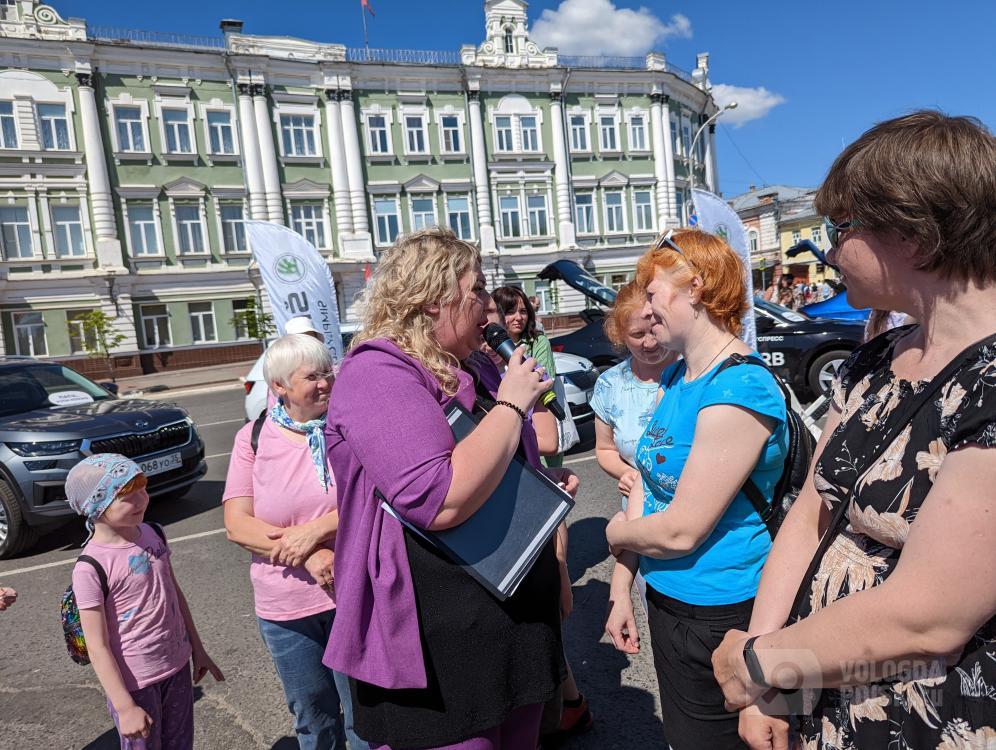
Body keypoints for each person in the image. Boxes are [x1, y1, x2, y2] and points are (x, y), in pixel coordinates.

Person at [711, 111, 996, 750]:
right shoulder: (878, 356)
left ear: (915, 237)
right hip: (823, 690)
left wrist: (756, 665)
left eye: (840, 229)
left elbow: (929, 617)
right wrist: (772, 682)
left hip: (933, 718)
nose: (831, 251)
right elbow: (814, 514)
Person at [323, 227, 577, 750]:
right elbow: (437, 498)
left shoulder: (477, 366)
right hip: (438, 638)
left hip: (515, 616)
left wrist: (539, 484)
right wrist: (510, 405)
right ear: (434, 298)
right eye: (478, 290)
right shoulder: (377, 372)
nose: (491, 308)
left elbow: (490, 463)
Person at [603, 229, 788, 750]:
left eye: (654, 291)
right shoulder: (678, 376)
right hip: (670, 603)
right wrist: (622, 590)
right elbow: (647, 483)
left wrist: (618, 532)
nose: (647, 307)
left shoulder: (739, 387)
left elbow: (682, 530)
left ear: (696, 289)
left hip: (726, 615)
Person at [223, 334, 361, 750]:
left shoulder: (348, 428)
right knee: (313, 719)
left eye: (326, 373)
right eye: (311, 377)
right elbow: (237, 525)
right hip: (285, 610)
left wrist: (316, 532)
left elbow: (373, 501)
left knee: (363, 718)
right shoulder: (253, 438)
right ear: (279, 386)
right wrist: (310, 555)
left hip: (351, 593)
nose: (324, 383)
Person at [478, 293, 591, 742]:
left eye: (493, 318)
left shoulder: (515, 372)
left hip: (531, 510)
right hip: (493, 534)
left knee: (544, 628)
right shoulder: (464, 376)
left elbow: (546, 437)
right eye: (487, 315)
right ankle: (565, 705)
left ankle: (567, 708)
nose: (491, 329)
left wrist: (514, 402)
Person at [67, 454, 224, 749]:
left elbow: (174, 594)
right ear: (96, 506)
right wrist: (125, 707)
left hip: (176, 666)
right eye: (128, 496)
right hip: (135, 683)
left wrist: (197, 649)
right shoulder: (90, 567)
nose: (142, 500)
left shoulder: (153, 533)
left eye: (143, 489)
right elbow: (97, 646)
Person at [591, 280, 679, 508]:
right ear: (620, 333)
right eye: (637, 334)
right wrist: (626, 473)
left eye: (654, 330)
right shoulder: (609, 384)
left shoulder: (693, 371)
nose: (649, 343)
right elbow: (605, 448)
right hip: (638, 508)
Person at [493, 287, 560, 468]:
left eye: (523, 311)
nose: (518, 317)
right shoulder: (489, 347)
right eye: (510, 311)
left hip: (538, 427)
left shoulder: (538, 342)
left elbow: (545, 384)